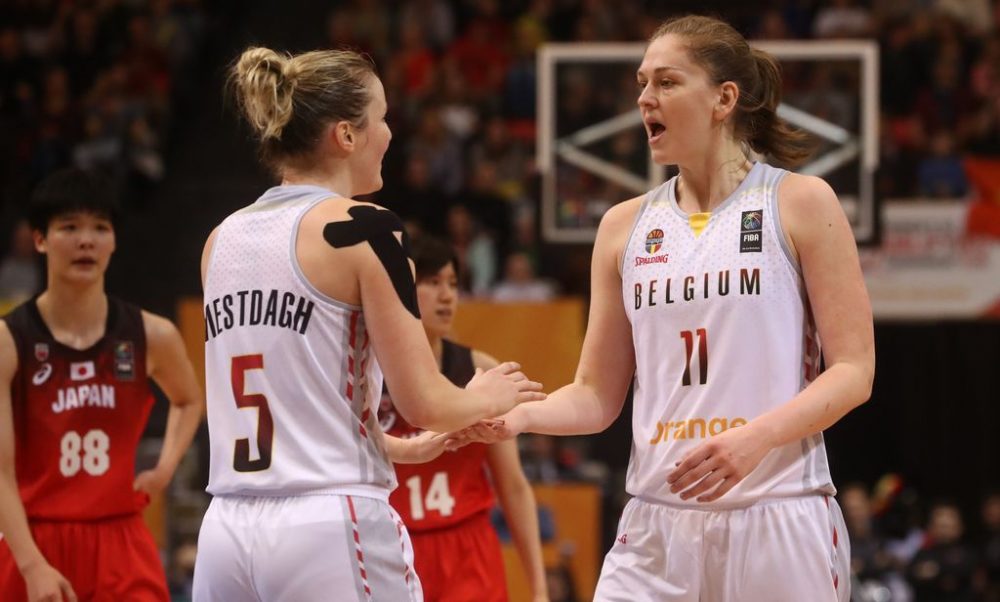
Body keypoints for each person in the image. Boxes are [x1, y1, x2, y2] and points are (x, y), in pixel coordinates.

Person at [488, 14, 874, 601]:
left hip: (776, 510)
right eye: (642, 83)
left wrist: (756, 438)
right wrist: (517, 417)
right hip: (655, 526)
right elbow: (595, 395)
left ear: (724, 98)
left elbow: (853, 372)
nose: (645, 98)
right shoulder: (622, 227)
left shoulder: (799, 203)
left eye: (666, 82)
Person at [192, 47, 544, 600]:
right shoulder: (365, 227)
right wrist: (487, 394)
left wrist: (400, 449)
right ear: (346, 136)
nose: (389, 135)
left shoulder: (221, 239)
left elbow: (290, 399)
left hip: (226, 530)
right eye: (381, 119)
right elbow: (425, 401)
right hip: (329, 524)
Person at [0, 167, 205, 601]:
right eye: (69, 227)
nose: (86, 240)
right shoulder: (9, 340)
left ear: (114, 241)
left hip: (121, 537)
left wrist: (165, 467)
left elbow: (188, 400)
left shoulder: (152, 334)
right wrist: (32, 565)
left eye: (100, 227)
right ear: (40, 239)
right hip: (35, 538)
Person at [378, 236, 548, 602]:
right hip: (394, 545)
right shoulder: (370, 374)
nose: (446, 295)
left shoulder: (481, 370)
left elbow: (513, 486)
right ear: (403, 290)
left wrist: (539, 589)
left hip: (467, 548)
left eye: (453, 284)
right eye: (432, 282)